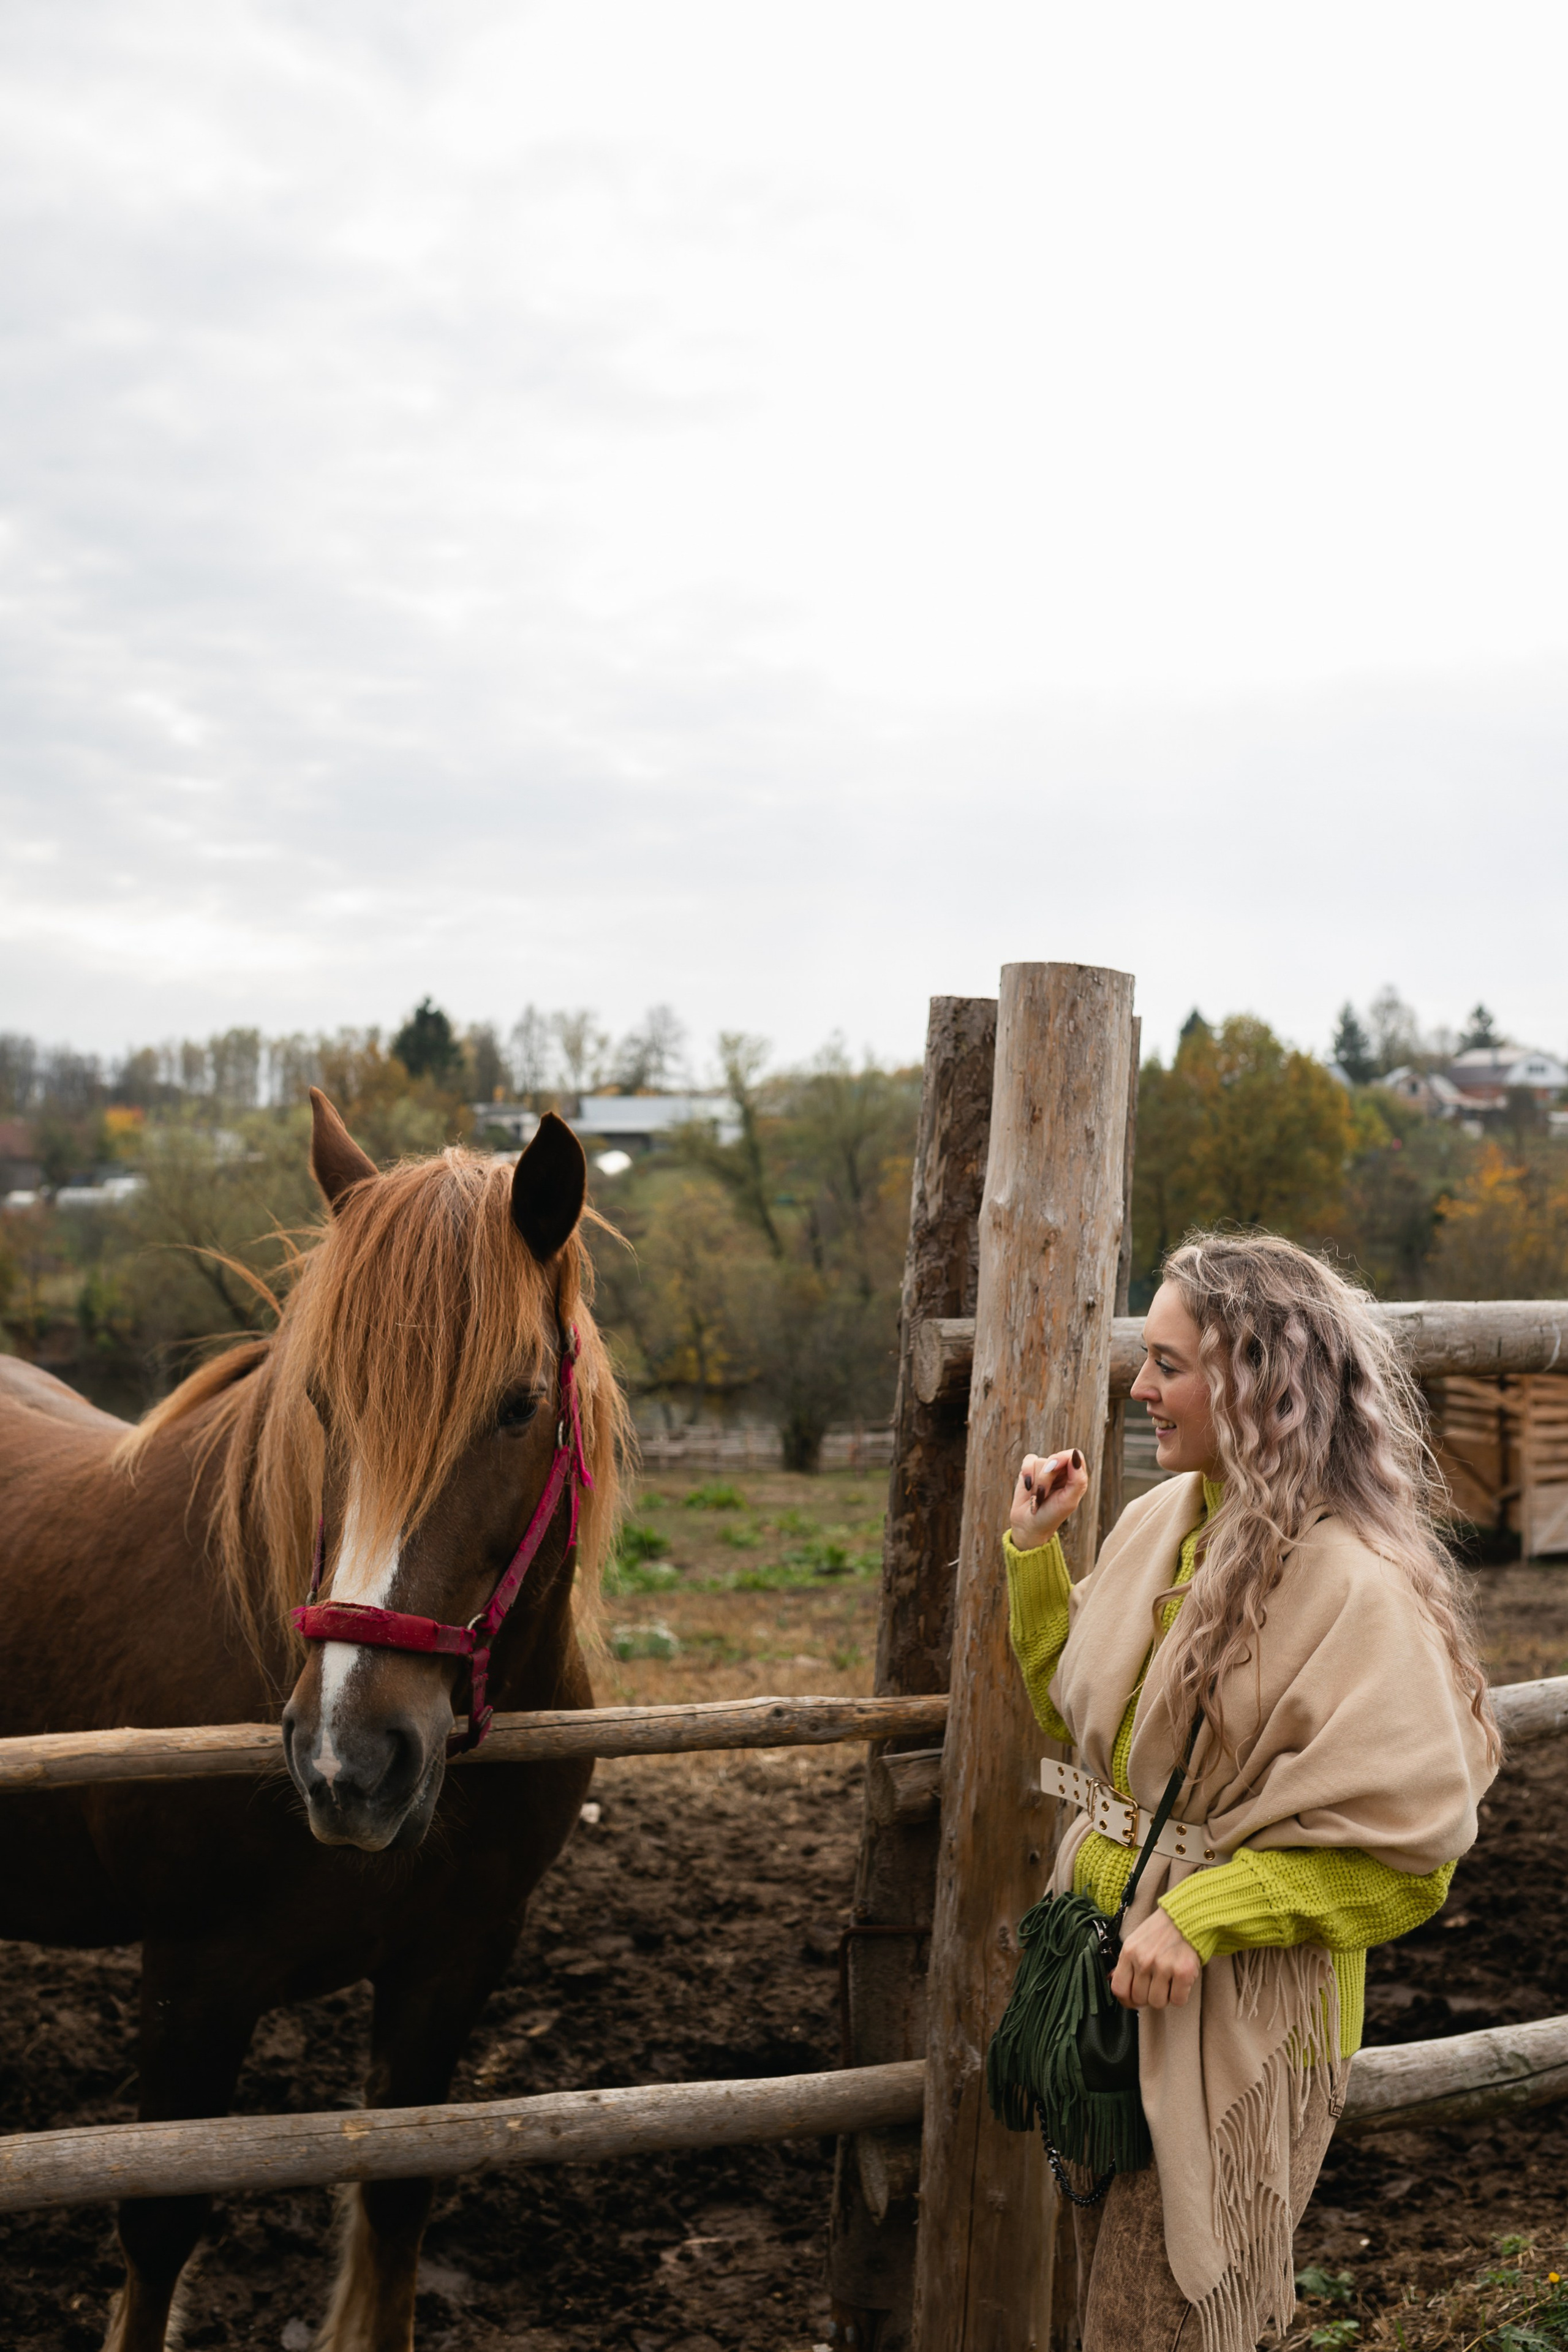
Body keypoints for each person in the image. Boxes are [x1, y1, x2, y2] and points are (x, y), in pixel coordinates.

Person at [1005, 1232, 1498, 2352]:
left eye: (1169, 1364)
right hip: (1100, 1986)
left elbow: (1412, 1867)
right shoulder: (1160, 1525)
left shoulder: (1357, 1587)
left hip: (1239, 2022)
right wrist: (1036, 1559)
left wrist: (1205, 1911)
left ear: (1259, 1381)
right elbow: (1089, 1730)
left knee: (1165, 2325)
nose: (1140, 1387)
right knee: (1115, 2315)